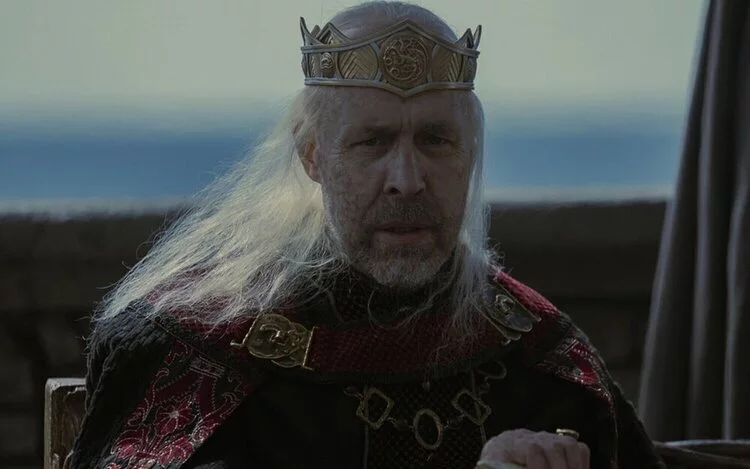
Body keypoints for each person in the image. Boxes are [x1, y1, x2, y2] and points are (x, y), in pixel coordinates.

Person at [69, 2, 664, 468]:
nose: (407, 179)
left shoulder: (541, 361)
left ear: (470, 154)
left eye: (435, 140)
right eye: (372, 142)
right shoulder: (195, 352)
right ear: (313, 156)